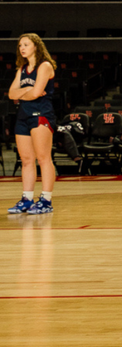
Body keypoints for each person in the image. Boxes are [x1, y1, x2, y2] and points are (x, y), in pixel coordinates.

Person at [7, 34, 58, 214]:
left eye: (26, 44)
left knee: (43, 158)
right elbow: (11, 94)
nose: (22, 48)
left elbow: (36, 94)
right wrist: (28, 89)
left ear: (36, 46)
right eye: (20, 45)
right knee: (27, 160)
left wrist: (24, 92)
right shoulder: (22, 69)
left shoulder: (45, 66)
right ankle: (27, 199)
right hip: (23, 115)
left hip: (41, 114)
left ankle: (46, 200)